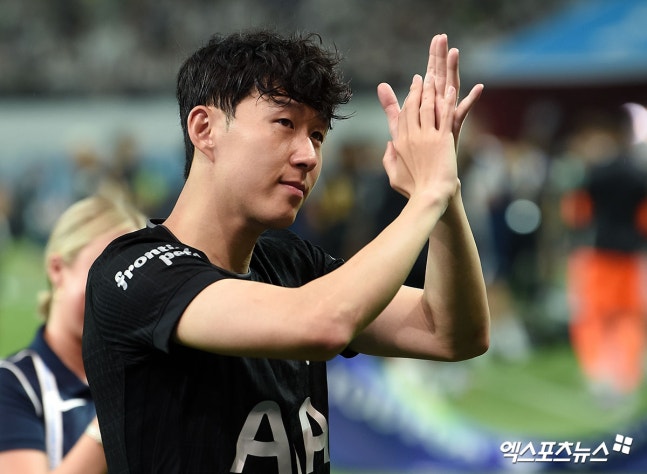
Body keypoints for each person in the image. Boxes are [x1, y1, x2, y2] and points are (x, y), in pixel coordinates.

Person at [82, 30, 490, 473]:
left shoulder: (292, 263)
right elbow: (322, 324)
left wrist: (447, 195)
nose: (308, 155)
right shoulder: (137, 269)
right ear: (204, 129)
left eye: (317, 135)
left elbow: (452, 334)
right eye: (285, 124)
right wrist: (427, 195)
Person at [0, 194, 146, 473]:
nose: (117, 297)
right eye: (104, 275)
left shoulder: (149, 375)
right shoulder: (15, 384)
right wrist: (116, 413)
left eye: (131, 281)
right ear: (57, 269)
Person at [561, 107, 647, 401]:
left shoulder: (592, 173)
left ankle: (599, 375)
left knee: (595, 316)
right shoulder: (639, 175)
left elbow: (576, 214)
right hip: (630, 257)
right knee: (627, 316)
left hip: (598, 255)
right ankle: (626, 377)